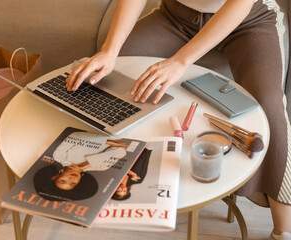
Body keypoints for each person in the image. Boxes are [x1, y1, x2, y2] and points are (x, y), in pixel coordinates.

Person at [65, 0, 291, 239]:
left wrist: (181, 61)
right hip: (176, 17)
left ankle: (283, 229)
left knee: (267, 104)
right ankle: (112, 171)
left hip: (249, 19)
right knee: (118, 72)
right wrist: (109, 51)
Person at [34, 131, 128, 201]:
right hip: (114, 132)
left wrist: (108, 142)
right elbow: (120, 151)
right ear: (79, 183)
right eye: (73, 183)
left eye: (63, 180)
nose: (71, 179)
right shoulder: (101, 167)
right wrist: (89, 163)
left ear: (56, 176)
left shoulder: (59, 157)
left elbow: (75, 135)